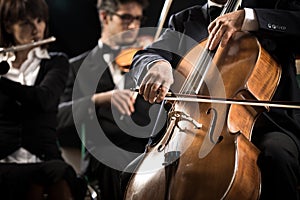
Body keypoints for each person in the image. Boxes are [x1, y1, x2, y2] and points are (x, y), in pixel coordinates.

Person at [130, 0, 300, 199]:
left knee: (277, 156)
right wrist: (156, 64)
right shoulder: (184, 20)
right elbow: (145, 55)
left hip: (268, 125)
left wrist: (249, 17)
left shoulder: (274, 7)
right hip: (188, 131)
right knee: (130, 171)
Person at [57, 0, 162, 199]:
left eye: (138, 19)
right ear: (105, 17)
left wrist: (155, 58)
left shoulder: (145, 61)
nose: (134, 26)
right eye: (126, 18)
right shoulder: (76, 68)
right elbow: (58, 116)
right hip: (105, 157)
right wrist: (99, 100)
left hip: (145, 150)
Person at [0, 0, 86, 199]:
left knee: (57, 178)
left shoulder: (56, 62)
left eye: (40, 21)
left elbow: (44, 98)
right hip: (4, 161)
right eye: (26, 23)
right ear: (7, 26)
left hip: (44, 158)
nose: (36, 29)